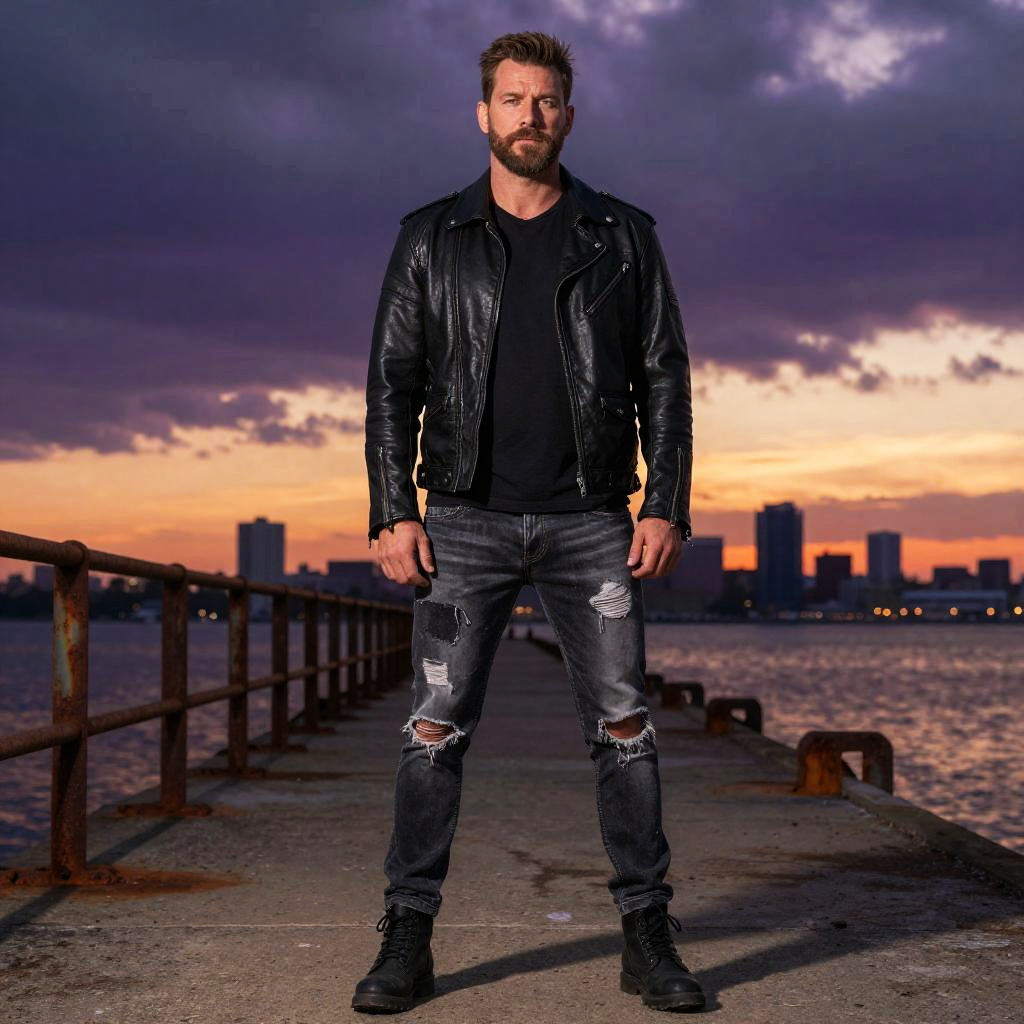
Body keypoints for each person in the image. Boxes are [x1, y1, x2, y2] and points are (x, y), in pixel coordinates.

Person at [353, 31, 704, 1014]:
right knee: (431, 730)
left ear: (569, 116)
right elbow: (393, 383)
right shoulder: (430, 235)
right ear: (483, 113)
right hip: (461, 517)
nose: (529, 117)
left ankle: (647, 934)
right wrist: (393, 509)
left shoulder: (621, 234)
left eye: (546, 101)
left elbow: (664, 372)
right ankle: (406, 935)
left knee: (625, 728)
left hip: (590, 516)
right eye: (512, 100)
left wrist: (665, 497)